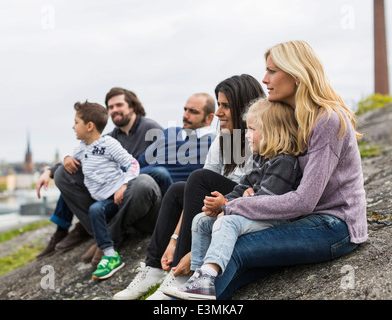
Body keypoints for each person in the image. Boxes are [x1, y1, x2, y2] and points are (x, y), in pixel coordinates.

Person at [209, 40, 367, 300]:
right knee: (224, 258)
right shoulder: (293, 118)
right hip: (300, 220)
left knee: (235, 249)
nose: (264, 79)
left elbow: (304, 201)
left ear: (296, 74)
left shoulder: (327, 119)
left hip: (334, 224)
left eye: (272, 71)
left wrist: (230, 205)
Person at [113, 74, 266, 300]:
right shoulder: (223, 138)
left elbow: (256, 189)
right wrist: (174, 241)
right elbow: (194, 192)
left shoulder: (259, 137)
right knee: (178, 190)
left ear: (245, 107)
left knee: (198, 178)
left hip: (241, 206)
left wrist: (191, 252)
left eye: (226, 106)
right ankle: (154, 268)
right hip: (220, 202)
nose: (220, 112)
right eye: (219, 104)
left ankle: (184, 274)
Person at [162, 98, 302, 300]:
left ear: (273, 132)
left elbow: (267, 202)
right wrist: (221, 204)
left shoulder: (285, 161)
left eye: (252, 129)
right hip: (255, 213)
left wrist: (227, 206)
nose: (246, 135)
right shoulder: (260, 158)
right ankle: (195, 277)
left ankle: (207, 277)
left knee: (228, 222)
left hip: (276, 220)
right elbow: (243, 186)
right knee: (200, 220)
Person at [36, 88, 163, 260]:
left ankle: (107, 237)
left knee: (147, 178)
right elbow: (84, 154)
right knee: (64, 173)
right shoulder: (110, 137)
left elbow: (160, 166)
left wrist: (126, 181)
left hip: (140, 192)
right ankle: (89, 233)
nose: (114, 110)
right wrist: (50, 170)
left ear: (132, 106)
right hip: (112, 194)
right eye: (110, 107)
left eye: (119, 105)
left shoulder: (151, 129)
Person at [67, 100, 139, 279]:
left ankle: (110, 256)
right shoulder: (82, 147)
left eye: (77, 122)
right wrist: (67, 158)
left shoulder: (108, 144)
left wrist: (124, 185)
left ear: (89, 126)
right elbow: (71, 157)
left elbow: (132, 164)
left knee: (96, 210)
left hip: (116, 198)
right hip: (99, 198)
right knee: (95, 209)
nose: (73, 127)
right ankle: (104, 247)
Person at [138, 93, 216, 195]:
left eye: (193, 112)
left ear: (209, 118)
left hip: (169, 196)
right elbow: (140, 162)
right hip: (140, 184)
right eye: (185, 110)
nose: (185, 115)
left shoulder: (214, 143)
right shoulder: (169, 132)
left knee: (160, 173)